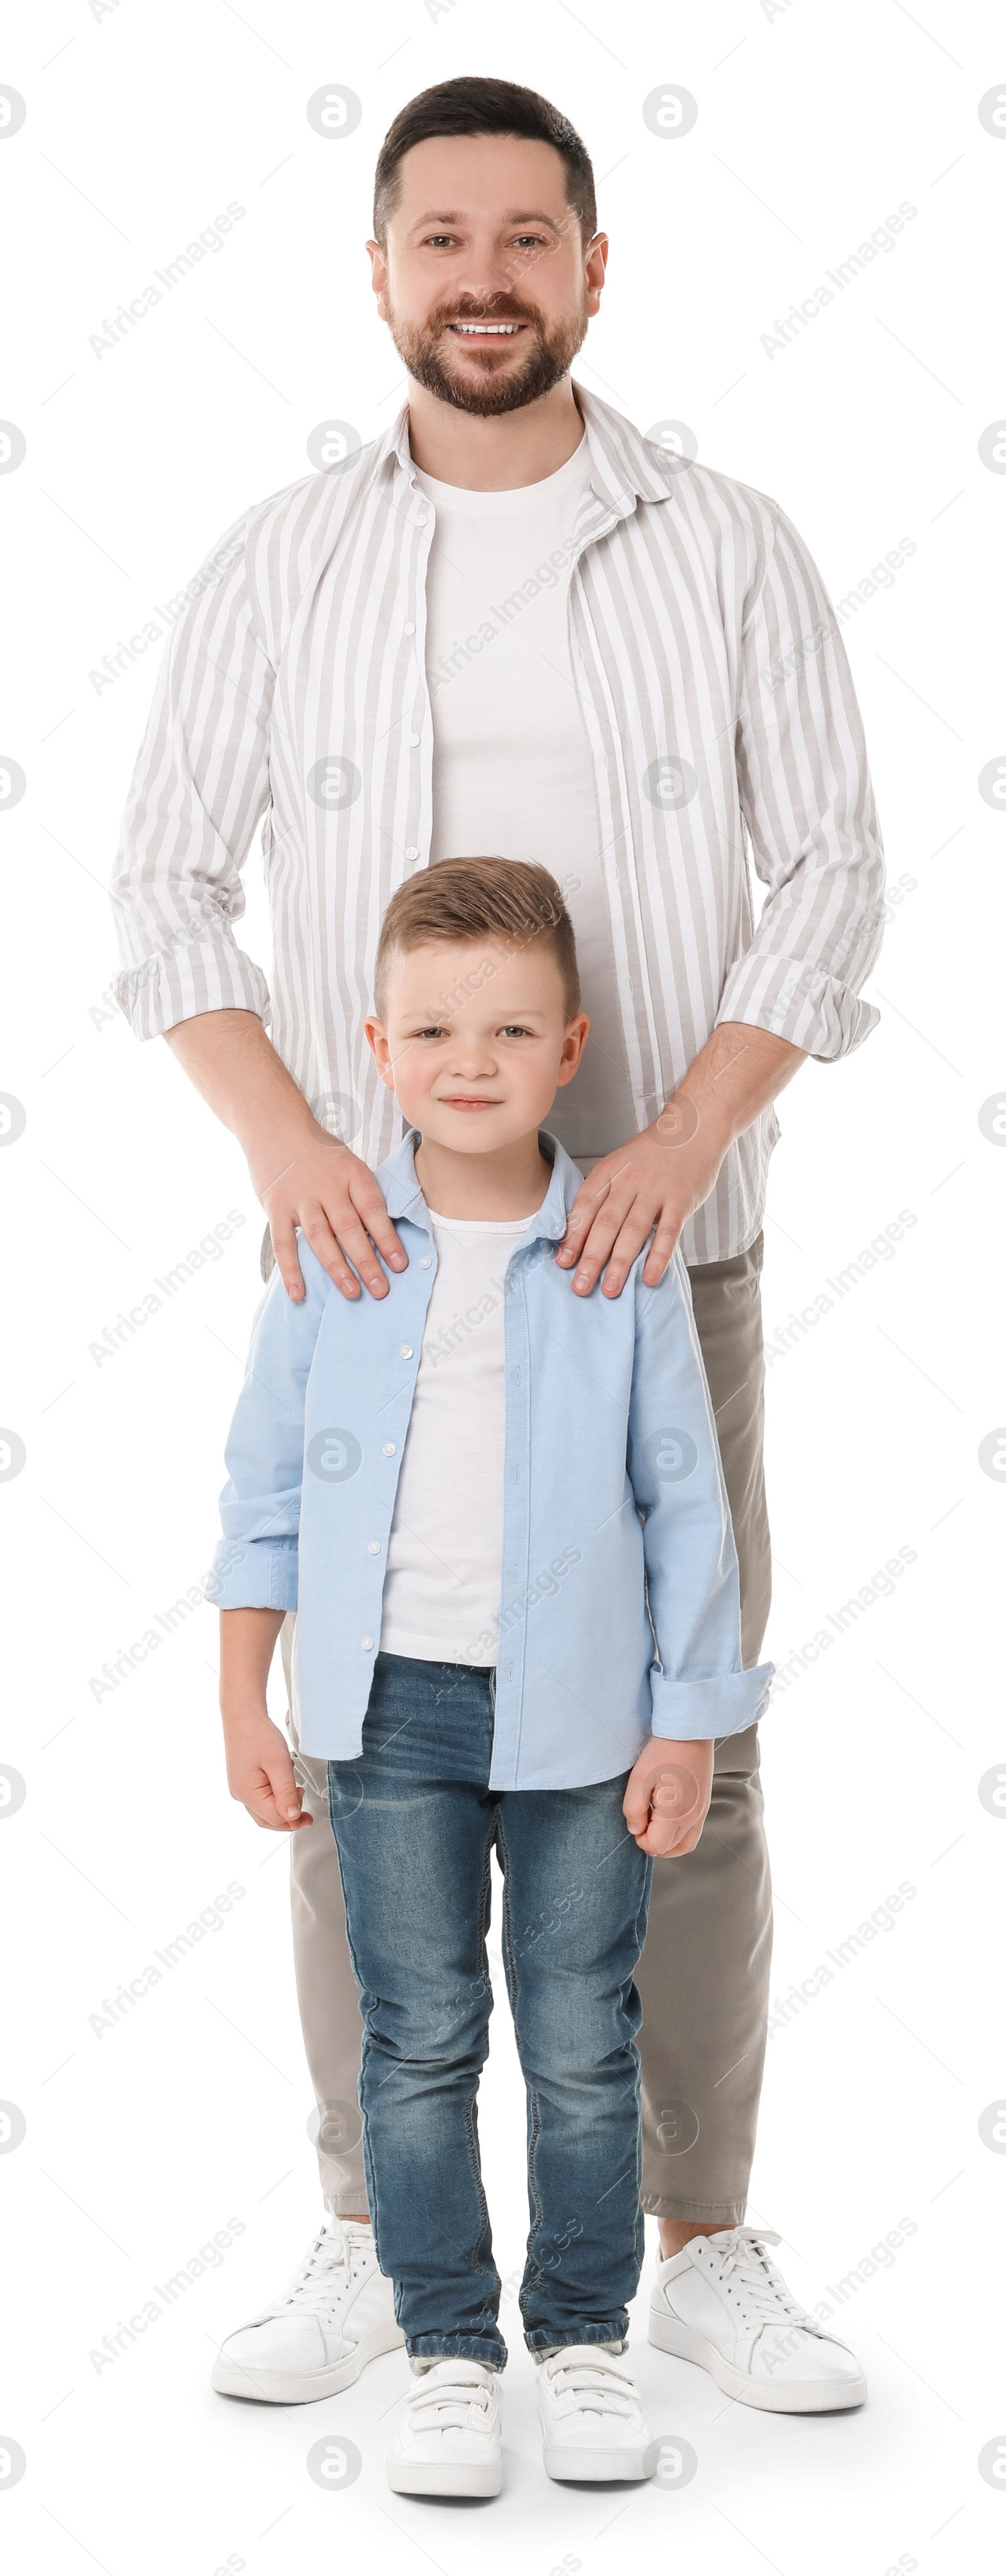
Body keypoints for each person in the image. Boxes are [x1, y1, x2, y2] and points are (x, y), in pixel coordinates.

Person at [109, 75, 882, 2414]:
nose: (482, 276)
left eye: (526, 237)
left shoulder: (728, 542)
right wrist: (285, 1151)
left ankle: (705, 2238)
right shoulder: (284, 560)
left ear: (592, 270)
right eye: (436, 236)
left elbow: (833, 875)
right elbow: (159, 890)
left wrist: (681, 1141)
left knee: (690, 1746)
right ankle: (375, 2219)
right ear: (377, 272)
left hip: (659, 1252)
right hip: (365, 1270)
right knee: (367, 1744)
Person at [209, 857, 776, 2494]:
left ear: (570, 1045)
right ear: (377, 1045)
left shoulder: (618, 1253)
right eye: (436, 1028)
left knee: (586, 2038)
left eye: (513, 1029)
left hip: (587, 1720)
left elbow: (690, 1507)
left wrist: (689, 1721)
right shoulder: (330, 1248)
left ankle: (586, 2342)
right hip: (384, 1720)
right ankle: (448, 2350)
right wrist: (245, 1699)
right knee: (420, 2037)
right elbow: (262, 1496)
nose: (473, 1060)